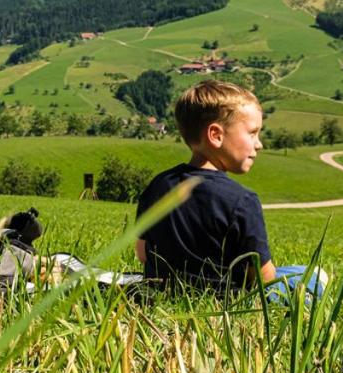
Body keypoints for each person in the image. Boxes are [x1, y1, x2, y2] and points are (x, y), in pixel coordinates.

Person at [136, 80, 323, 301]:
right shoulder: (241, 200)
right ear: (216, 135)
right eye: (252, 133)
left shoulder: (159, 185)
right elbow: (264, 282)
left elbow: (142, 253)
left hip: (164, 294)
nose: (259, 144)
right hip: (230, 301)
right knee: (314, 276)